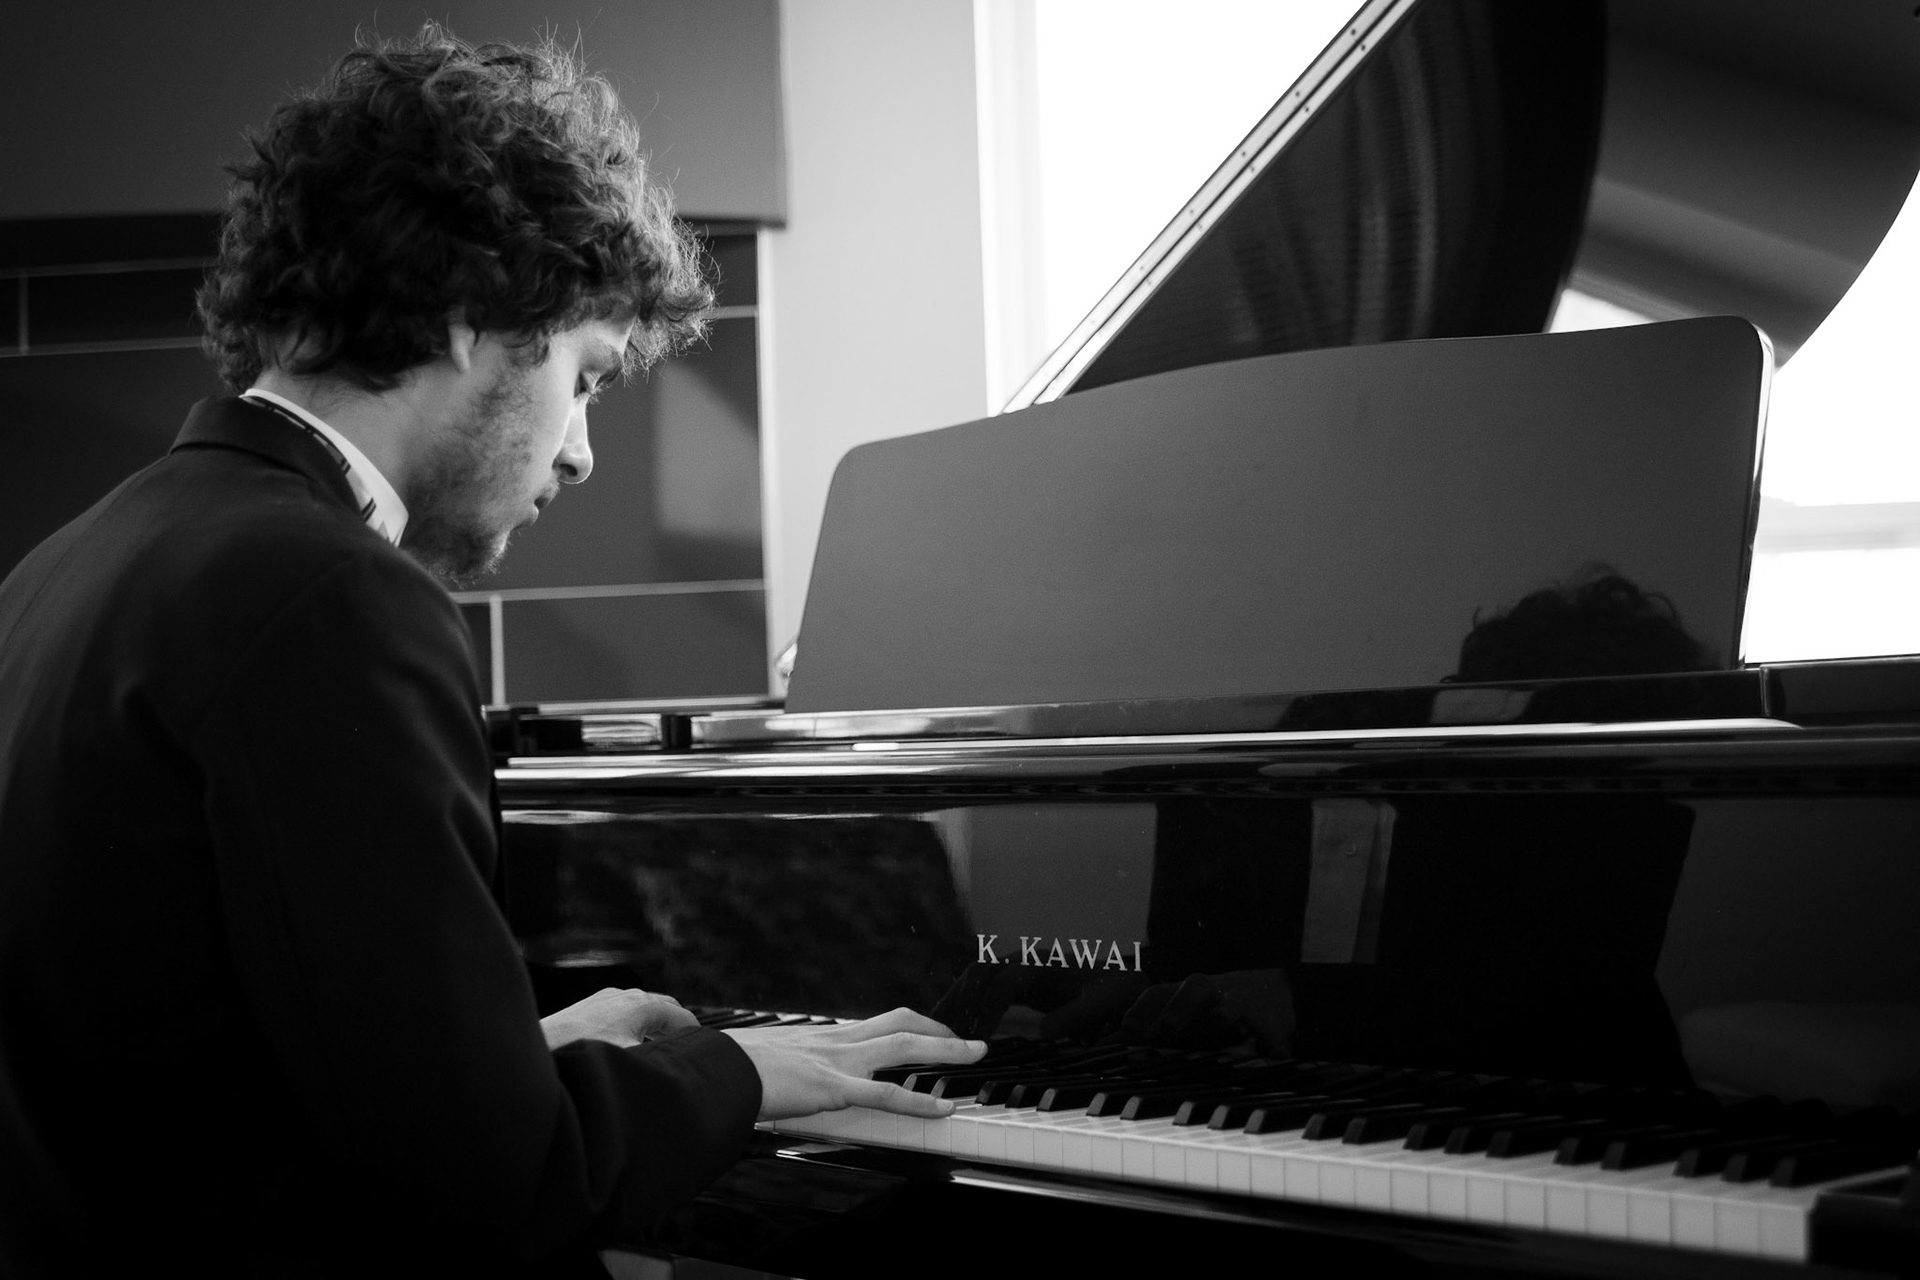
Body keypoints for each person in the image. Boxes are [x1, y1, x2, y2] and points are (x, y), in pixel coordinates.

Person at [0, 26, 981, 1279]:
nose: (581, 451)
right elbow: (502, 1191)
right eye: (586, 375)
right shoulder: (331, 596)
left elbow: (203, 1076)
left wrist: (525, 1057)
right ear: (473, 312)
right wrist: (731, 1067)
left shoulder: (67, 566)